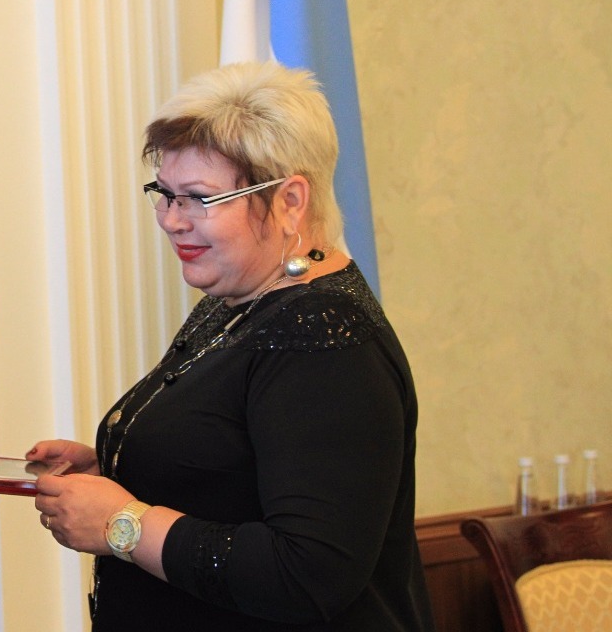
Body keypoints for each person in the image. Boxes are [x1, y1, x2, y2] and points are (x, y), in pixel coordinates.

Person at [27, 61, 435, 630]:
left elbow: (307, 573)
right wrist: (125, 465)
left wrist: (124, 525)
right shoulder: (241, 299)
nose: (173, 221)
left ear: (290, 201)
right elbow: (239, 469)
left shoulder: (320, 337)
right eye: (165, 194)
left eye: (199, 198)